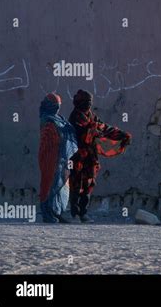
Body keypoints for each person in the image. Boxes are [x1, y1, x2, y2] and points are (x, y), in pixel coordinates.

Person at [69, 90, 131, 223]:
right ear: (79, 103)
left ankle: (83, 213)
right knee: (76, 183)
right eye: (86, 102)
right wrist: (94, 129)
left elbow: (104, 128)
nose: (88, 105)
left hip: (90, 157)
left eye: (90, 102)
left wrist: (122, 135)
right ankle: (74, 213)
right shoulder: (75, 117)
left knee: (89, 183)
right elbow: (85, 132)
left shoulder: (91, 116)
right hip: (78, 156)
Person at [38, 93, 78, 223]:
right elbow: (49, 140)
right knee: (49, 185)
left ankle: (58, 212)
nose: (57, 108)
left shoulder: (58, 118)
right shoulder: (47, 120)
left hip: (61, 159)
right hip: (50, 159)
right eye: (55, 106)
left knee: (60, 186)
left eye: (58, 106)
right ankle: (48, 214)